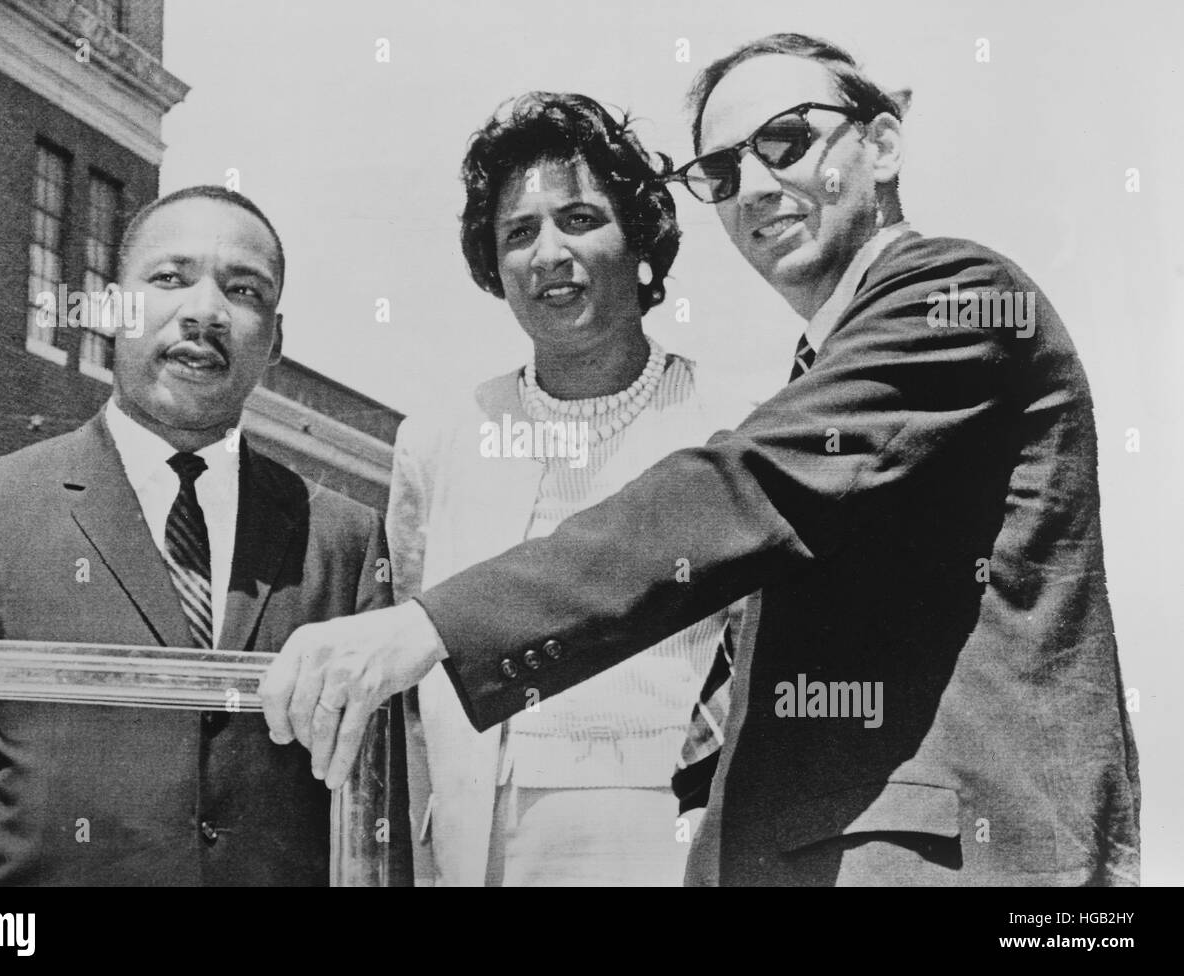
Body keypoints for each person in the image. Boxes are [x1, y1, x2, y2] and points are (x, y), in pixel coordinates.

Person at [261, 33, 1140, 886]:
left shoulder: (960, 299)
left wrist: (427, 627)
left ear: (881, 143)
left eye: (787, 140)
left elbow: (742, 490)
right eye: (721, 171)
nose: (755, 187)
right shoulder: (820, 369)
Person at [0, 185, 408, 886]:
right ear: (110, 308)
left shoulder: (343, 542)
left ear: (275, 339)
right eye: (170, 278)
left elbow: (374, 827)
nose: (205, 311)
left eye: (244, 290)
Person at [388, 92, 751, 886]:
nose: (549, 252)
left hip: (673, 839)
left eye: (580, 219)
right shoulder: (438, 440)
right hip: (477, 843)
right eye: (519, 233)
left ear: (641, 244)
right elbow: (420, 676)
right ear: (495, 268)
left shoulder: (733, 423)